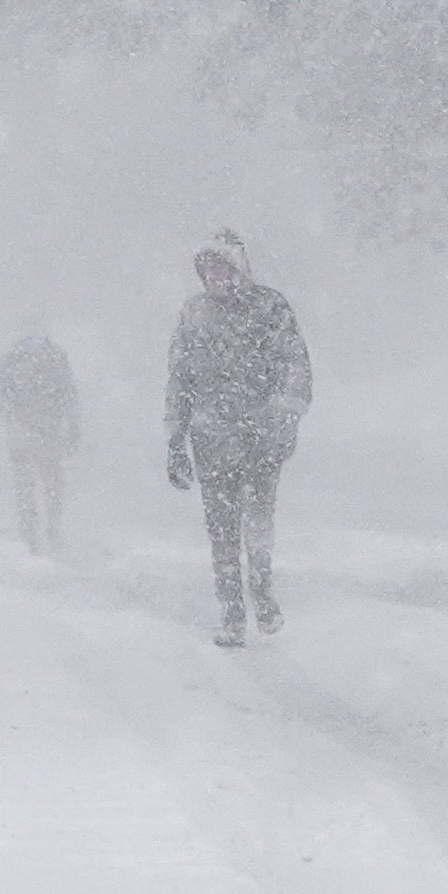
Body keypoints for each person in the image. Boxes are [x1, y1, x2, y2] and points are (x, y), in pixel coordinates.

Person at [163, 230, 311, 647]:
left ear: (240, 268)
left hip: (261, 440)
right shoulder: (193, 315)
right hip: (210, 441)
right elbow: (180, 381)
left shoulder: (271, 309)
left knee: (258, 520)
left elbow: (295, 367)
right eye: (209, 269)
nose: (216, 277)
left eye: (224, 268)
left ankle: (263, 597)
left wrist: (284, 419)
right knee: (221, 530)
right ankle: (232, 613)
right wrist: (176, 439)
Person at [0, 324, 82, 553]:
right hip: (48, 431)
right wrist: (72, 429)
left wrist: (11, 414)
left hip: (23, 432)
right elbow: (70, 396)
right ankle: (50, 532)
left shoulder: (11, 360)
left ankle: (32, 534)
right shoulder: (55, 359)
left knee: (27, 485)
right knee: (50, 484)